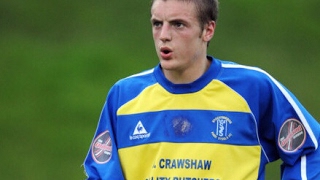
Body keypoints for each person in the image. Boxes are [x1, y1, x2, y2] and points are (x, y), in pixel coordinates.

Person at [83, 0, 320, 179]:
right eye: (157, 24)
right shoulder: (124, 96)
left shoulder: (254, 89)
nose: (164, 36)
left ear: (208, 30)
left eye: (178, 25)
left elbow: (311, 150)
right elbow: (101, 172)